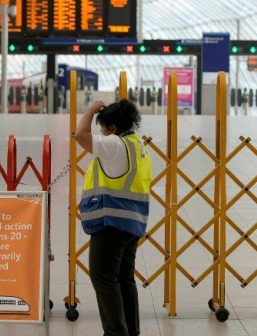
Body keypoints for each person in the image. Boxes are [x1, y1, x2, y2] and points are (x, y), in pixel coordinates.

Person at [74, 99, 151, 336]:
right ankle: (130, 330)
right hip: (132, 222)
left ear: (113, 129)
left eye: (103, 127)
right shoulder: (137, 144)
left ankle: (116, 332)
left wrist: (90, 109)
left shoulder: (115, 144)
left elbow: (80, 135)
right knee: (124, 279)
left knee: (103, 277)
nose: (101, 133)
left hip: (112, 223)